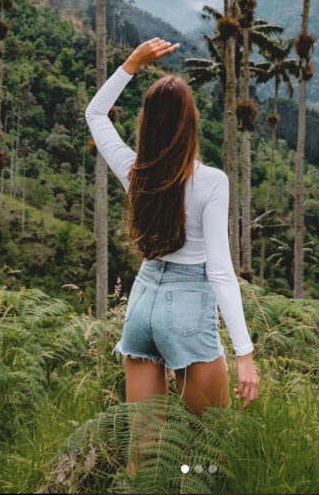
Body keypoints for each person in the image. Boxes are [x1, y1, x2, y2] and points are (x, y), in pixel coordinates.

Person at [85, 36, 260, 418]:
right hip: (188, 307)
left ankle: (147, 481)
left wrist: (131, 63)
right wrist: (244, 354)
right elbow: (220, 272)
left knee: (145, 453)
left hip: (142, 304)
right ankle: (188, 477)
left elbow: (95, 115)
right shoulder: (211, 182)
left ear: (146, 123)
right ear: (190, 124)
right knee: (208, 444)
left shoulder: (136, 174)